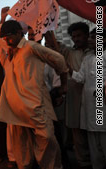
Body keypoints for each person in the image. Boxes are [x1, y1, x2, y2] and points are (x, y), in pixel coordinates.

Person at [0, 20, 68, 169]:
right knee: (22, 148)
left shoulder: (31, 47)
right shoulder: (12, 52)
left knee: (47, 139)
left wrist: (64, 85)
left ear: (18, 33)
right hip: (16, 110)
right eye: (4, 39)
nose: (6, 41)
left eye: (9, 37)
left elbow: (59, 60)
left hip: (35, 106)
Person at [45, 22, 92, 169]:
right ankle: (84, 163)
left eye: (79, 35)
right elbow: (53, 44)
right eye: (73, 36)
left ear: (87, 35)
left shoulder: (96, 54)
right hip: (75, 99)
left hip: (94, 101)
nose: (76, 39)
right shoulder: (68, 53)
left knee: (96, 135)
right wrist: (46, 24)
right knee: (78, 137)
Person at [70, 28, 106, 169]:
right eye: (90, 37)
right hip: (90, 108)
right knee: (94, 145)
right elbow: (80, 78)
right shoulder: (88, 58)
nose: (90, 40)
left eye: (93, 37)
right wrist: (66, 68)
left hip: (103, 106)